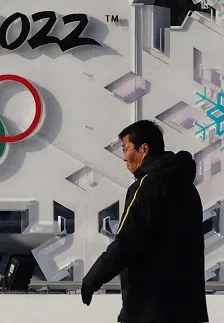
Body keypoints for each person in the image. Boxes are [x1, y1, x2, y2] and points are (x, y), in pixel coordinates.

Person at [81, 119, 208, 323]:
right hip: (188, 307)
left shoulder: (146, 186)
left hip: (150, 306)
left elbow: (127, 241)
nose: (124, 157)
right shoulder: (187, 187)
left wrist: (92, 279)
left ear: (144, 149)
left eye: (126, 149)